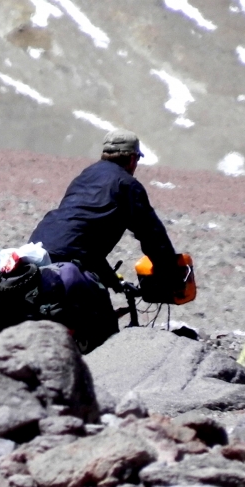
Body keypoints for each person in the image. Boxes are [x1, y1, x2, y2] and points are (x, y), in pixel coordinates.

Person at [28, 128, 178, 350]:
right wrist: (169, 271)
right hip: (69, 262)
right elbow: (151, 234)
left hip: (37, 251)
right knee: (104, 331)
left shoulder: (85, 176)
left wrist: (112, 281)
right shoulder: (126, 184)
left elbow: (82, 238)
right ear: (132, 158)